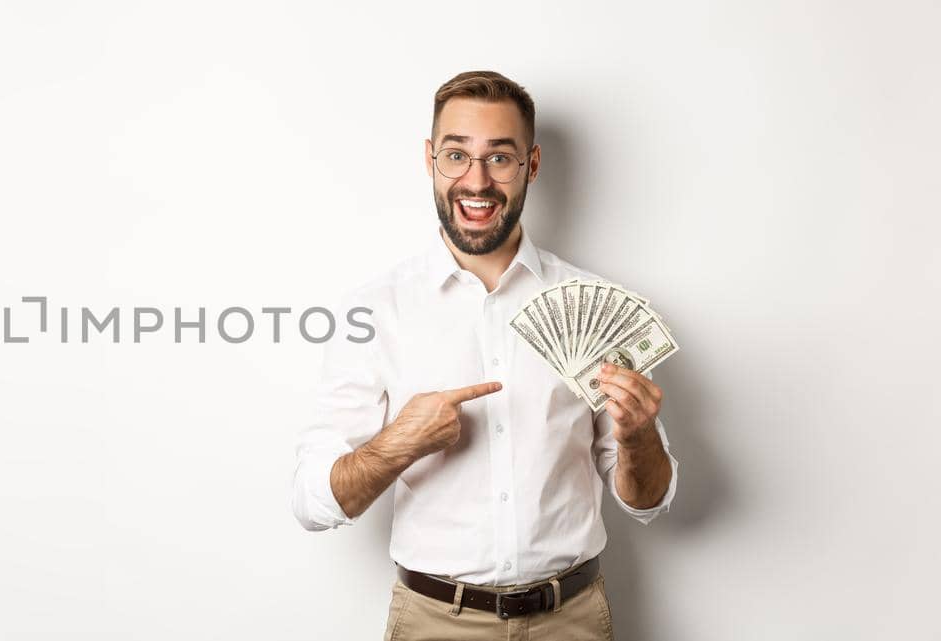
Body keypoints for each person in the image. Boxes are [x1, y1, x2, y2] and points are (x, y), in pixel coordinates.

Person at [290, 71, 677, 641]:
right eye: (456, 155)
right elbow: (312, 503)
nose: (476, 180)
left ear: (532, 165)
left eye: (500, 158)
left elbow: (649, 501)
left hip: (572, 620)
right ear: (430, 160)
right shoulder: (375, 311)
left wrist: (640, 438)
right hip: (434, 622)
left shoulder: (590, 307)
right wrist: (401, 441)